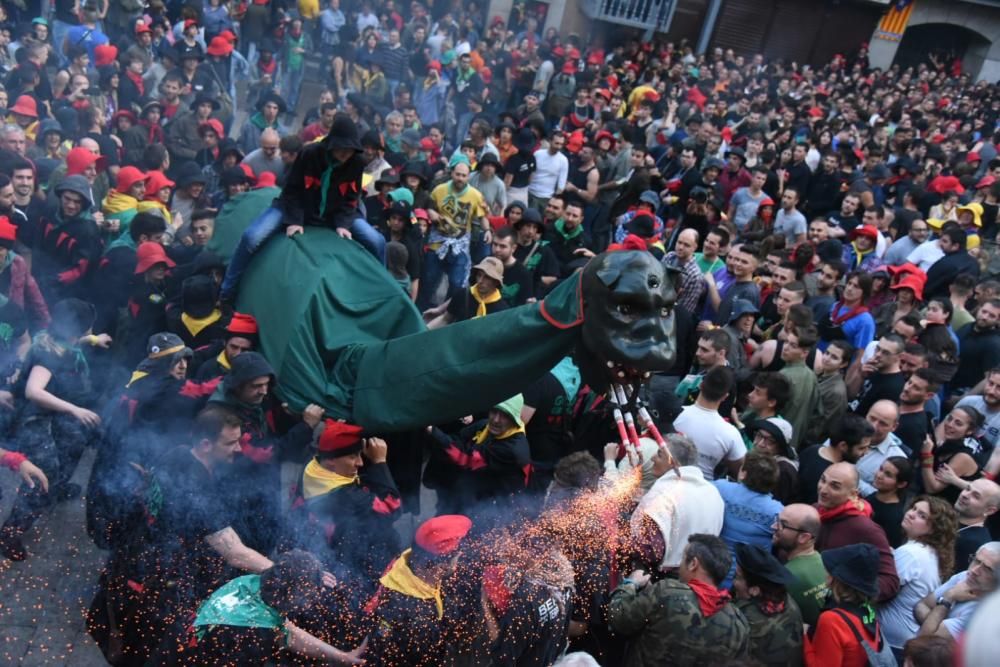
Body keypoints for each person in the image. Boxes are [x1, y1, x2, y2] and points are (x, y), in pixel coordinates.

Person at [220, 114, 384, 303]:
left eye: (350, 149)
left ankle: (382, 291)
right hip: (295, 207)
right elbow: (292, 190)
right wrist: (295, 220)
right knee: (252, 236)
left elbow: (351, 197)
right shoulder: (310, 154)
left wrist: (343, 223)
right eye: (342, 148)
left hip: (335, 212)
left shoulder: (356, 162)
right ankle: (227, 290)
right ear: (332, 143)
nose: (345, 154)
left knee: (377, 240)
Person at [0, 299, 108, 561]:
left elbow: (69, 343)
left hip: (54, 416)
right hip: (34, 420)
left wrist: (92, 340)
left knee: (74, 443)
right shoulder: (46, 355)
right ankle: (10, 533)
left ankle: (56, 488)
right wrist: (74, 409)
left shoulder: (60, 341)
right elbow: (33, 391)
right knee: (42, 472)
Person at [158, 549, 365, 665]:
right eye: (309, 596)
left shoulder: (249, 583)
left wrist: (342, 657)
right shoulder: (251, 635)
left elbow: (288, 631)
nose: (311, 603)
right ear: (291, 593)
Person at [608, 534, 750, 665]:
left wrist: (630, 585)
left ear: (693, 564)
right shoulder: (738, 623)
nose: (679, 565)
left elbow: (619, 619)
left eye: (682, 558)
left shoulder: (666, 592)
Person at [290, 419, 400, 585]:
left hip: (325, 556)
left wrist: (334, 432)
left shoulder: (313, 467)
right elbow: (392, 507)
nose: (360, 462)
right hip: (354, 567)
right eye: (352, 457)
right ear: (330, 461)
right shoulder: (348, 497)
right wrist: (379, 463)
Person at [364, 514, 473, 666]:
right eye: (457, 557)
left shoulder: (409, 563)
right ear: (441, 566)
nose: (459, 562)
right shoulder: (412, 612)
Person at [630, 435, 725, 572]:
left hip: (665, 579)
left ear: (673, 463)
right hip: (701, 574)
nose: (652, 458)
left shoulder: (663, 493)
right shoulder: (713, 492)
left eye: (659, 455)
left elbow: (649, 551)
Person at [877, 495, 957, 655]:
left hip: (890, 642)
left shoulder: (911, 553)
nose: (911, 514)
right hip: (904, 638)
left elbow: (879, 589)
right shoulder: (932, 553)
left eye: (922, 516)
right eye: (914, 509)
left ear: (935, 529)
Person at [815, 462, 900, 602]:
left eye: (834, 486)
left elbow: (890, 581)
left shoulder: (866, 529)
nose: (823, 489)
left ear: (853, 494)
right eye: (823, 480)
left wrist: (846, 592)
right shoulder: (815, 511)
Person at [804, 544, 896, 666]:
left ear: (835, 579)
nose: (826, 573)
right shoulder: (867, 606)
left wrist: (804, 636)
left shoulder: (832, 620)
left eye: (829, 570)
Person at [731, 543, 803, 666]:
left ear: (755, 590)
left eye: (738, 577)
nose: (733, 581)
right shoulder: (787, 601)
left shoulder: (742, 620)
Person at [672, 366, 746, 480]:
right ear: (725, 396)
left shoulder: (675, 415)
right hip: (704, 490)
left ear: (700, 385)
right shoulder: (730, 433)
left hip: (668, 481)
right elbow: (741, 470)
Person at [915, 542, 1000, 639]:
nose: (974, 571)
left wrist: (949, 596)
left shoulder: (985, 611)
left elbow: (924, 639)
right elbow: (921, 605)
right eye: (976, 560)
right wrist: (935, 625)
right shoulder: (965, 577)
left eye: (987, 568)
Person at [798, 413, 874, 505]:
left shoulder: (814, 449)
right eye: (861, 448)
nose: (866, 452)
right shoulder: (828, 475)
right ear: (843, 446)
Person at [772, 503, 828, 627]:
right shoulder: (824, 562)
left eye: (783, 525)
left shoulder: (786, 577)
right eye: (777, 520)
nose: (774, 526)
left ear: (803, 537)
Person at [779, 325, 820, 450]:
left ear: (804, 353)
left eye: (793, 345)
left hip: (774, 439)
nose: (786, 347)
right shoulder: (812, 376)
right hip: (794, 443)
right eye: (786, 342)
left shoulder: (783, 376)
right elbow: (818, 414)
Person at [856, 400, 908, 496]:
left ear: (894, 427)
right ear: (866, 414)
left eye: (883, 423)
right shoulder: (848, 429)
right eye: (872, 418)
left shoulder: (897, 459)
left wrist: (850, 479)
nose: (874, 426)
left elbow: (883, 497)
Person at [866, 457, 913, 549]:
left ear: (901, 484)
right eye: (881, 469)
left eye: (888, 475)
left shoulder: (894, 517)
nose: (879, 475)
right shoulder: (875, 496)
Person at [953, 478, 1000, 567]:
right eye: (967, 489)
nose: (965, 495)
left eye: (976, 496)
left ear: (989, 510)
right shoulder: (948, 517)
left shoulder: (974, 543)